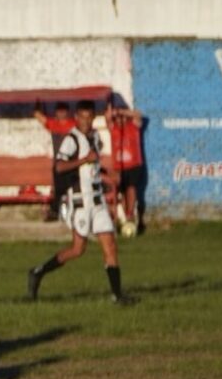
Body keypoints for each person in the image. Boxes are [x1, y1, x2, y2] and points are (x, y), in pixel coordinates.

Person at [27, 101, 134, 306]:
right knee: (77, 249)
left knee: (110, 246)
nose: (86, 121)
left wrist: (106, 173)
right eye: (82, 117)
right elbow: (60, 167)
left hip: (98, 200)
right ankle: (38, 271)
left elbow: (92, 166)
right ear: (76, 117)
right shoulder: (71, 140)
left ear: (93, 117)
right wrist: (84, 159)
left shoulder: (95, 137)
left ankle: (117, 296)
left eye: (89, 117)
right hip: (80, 202)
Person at [107, 100, 147, 236]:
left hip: (134, 164)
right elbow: (107, 117)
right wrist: (112, 111)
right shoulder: (113, 128)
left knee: (131, 188)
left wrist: (122, 112)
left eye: (122, 117)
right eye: (118, 117)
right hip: (119, 167)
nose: (120, 119)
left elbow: (138, 115)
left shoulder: (133, 126)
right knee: (122, 192)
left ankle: (130, 214)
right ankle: (126, 216)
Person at [34, 101, 75, 223]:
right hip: (59, 163)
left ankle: (67, 212)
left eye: (63, 110)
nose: (61, 113)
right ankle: (57, 212)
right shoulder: (54, 124)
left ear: (68, 112)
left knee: (72, 189)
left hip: (72, 163)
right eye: (59, 110)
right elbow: (38, 116)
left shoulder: (73, 124)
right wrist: (38, 102)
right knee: (59, 190)